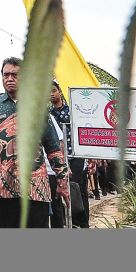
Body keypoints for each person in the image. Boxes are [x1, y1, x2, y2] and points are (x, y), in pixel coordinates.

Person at [0, 57, 69, 228]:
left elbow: (53, 148)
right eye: (6, 75)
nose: (9, 79)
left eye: (14, 75)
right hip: (4, 188)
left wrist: (62, 181)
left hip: (35, 188)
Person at [50, 81, 88, 228]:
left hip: (75, 155)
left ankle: (81, 224)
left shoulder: (72, 111)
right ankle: (64, 223)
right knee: (59, 193)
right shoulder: (49, 115)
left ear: (60, 91)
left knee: (76, 190)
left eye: (54, 90)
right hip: (58, 158)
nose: (51, 94)